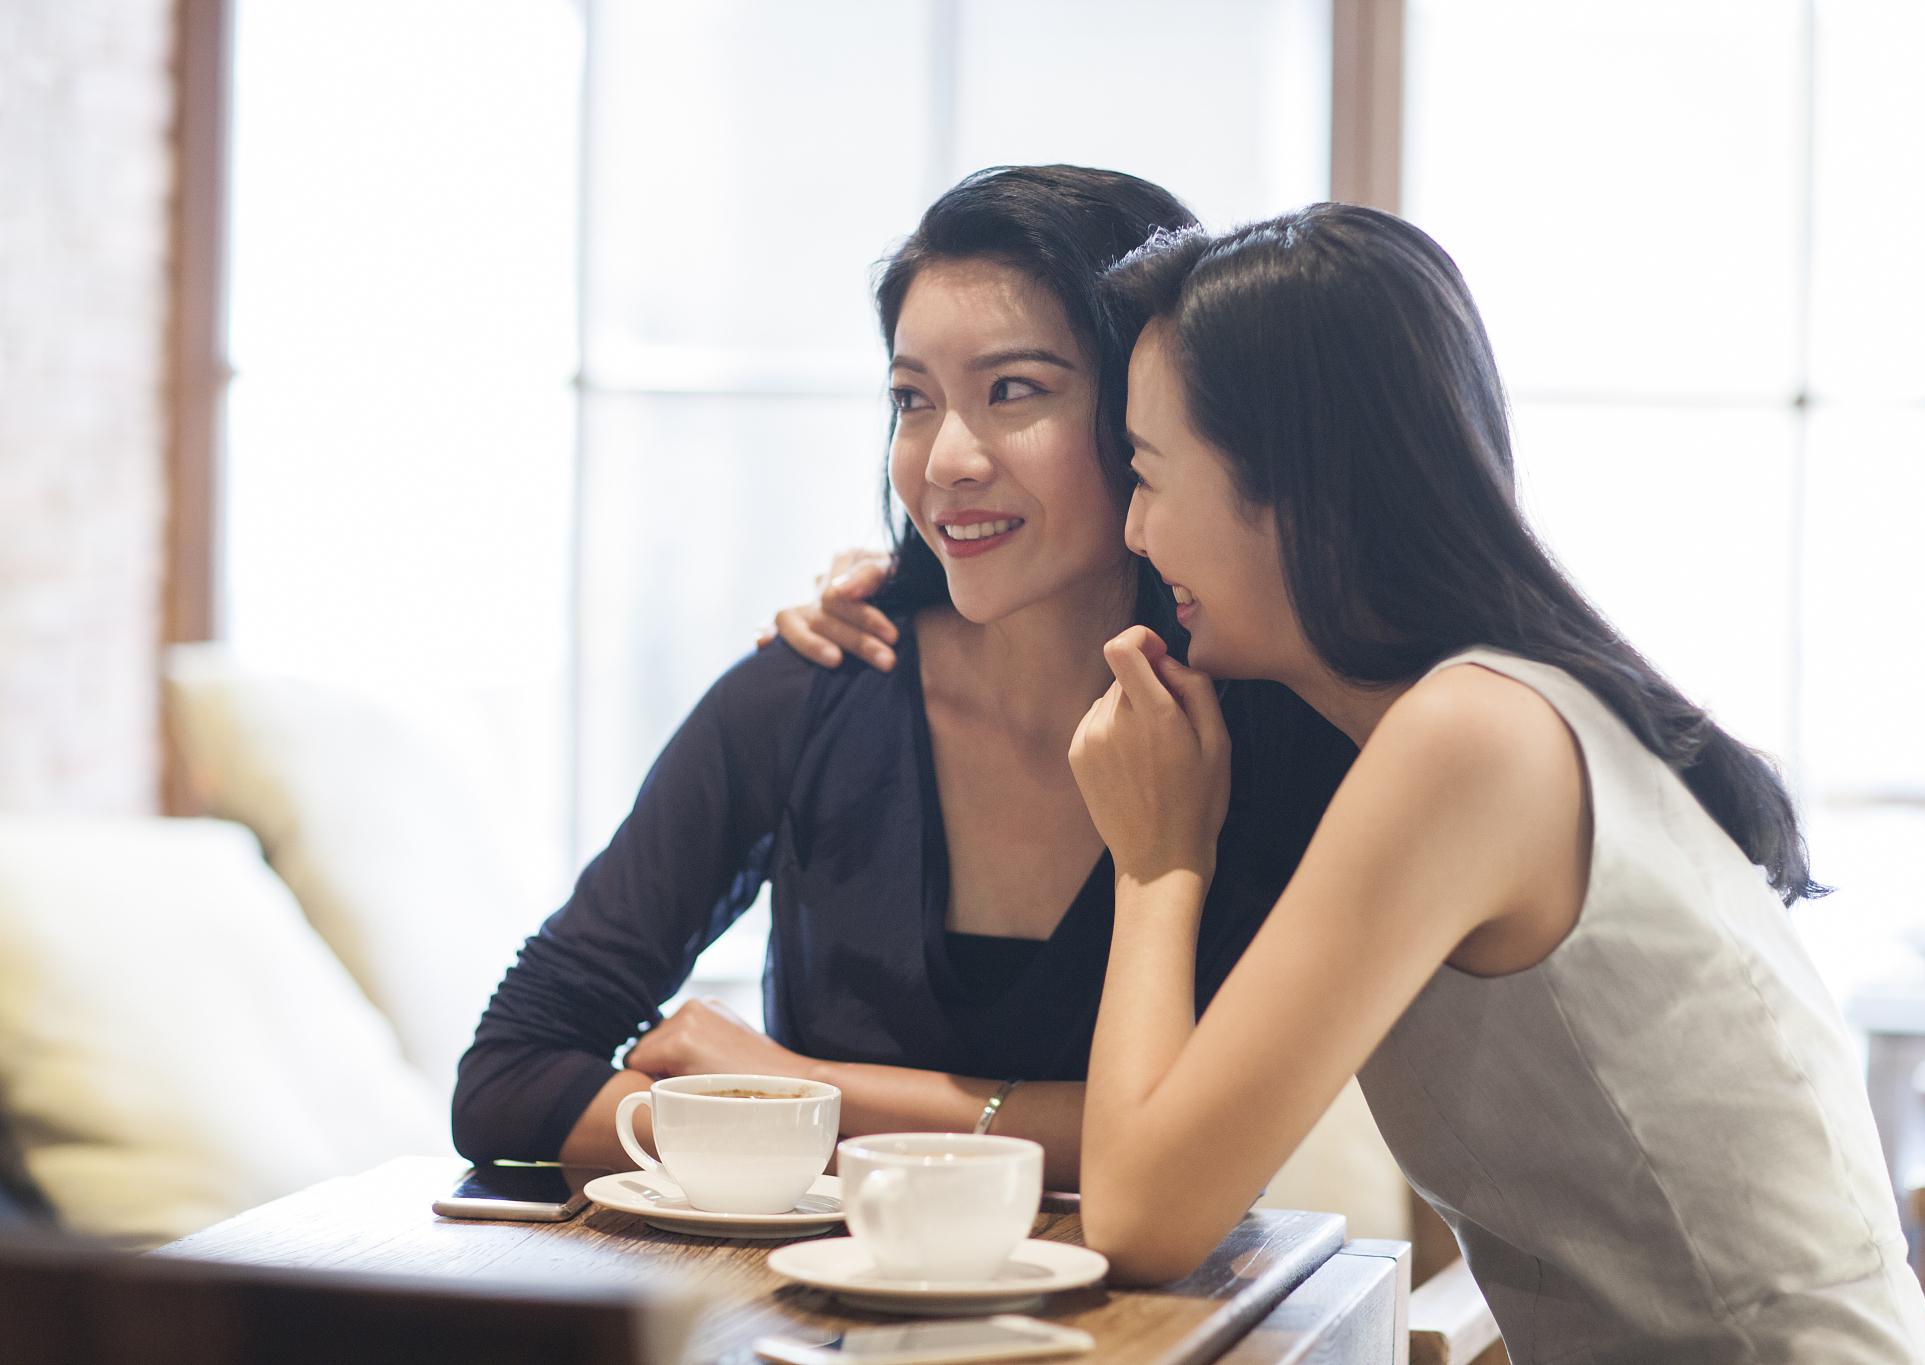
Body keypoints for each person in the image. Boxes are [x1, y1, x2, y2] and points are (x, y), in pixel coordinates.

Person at [1041, 203, 1925, 1360]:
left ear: (1295, 485)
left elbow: (1139, 1218)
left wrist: (1157, 862)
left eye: (1151, 473)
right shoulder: (1487, 713)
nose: (1132, 525)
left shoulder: (1471, 739)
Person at [449, 166, 1353, 1189]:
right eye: (913, 400)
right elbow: (508, 1081)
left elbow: (1203, 1140)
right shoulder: (814, 684)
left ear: (1145, 411)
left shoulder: (1269, 730)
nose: (945, 458)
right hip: (814, 1325)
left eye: (1013, 391)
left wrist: (797, 1094)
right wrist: (779, 1115)